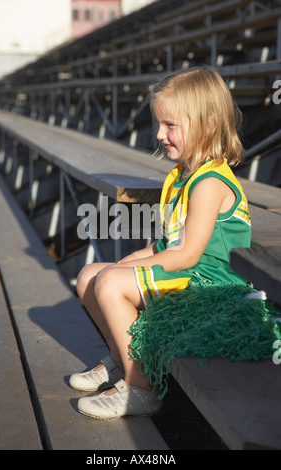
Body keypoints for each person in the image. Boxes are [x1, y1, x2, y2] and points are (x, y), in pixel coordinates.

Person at [70, 65, 251, 419]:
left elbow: (187, 254)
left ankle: (142, 388)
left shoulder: (209, 182)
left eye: (170, 125)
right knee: (90, 275)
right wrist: (124, 264)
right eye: (158, 124)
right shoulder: (180, 177)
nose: (159, 134)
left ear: (208, 124)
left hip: (211, 284)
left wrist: (122, 273)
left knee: (108, 282)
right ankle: (123, 359)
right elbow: (164, 244)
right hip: (185, 269)